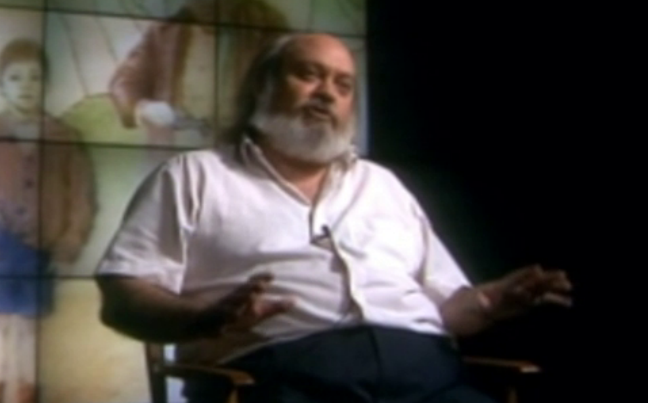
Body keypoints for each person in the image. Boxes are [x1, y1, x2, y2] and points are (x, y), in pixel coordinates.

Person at [95, 33, 572, 403]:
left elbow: (448, 309)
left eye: (343, 85)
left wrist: (489, 302)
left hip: (428, 381)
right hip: (279, 380)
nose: (326, 93)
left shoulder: (382, 184)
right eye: (309, 75)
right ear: (262, 84)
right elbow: (123, 299)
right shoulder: (196, 176)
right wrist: (206, 318)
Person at [0, 38, 97, 403]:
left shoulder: (65, 138)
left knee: (30, 329)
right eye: (15, 77)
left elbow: (82, 199)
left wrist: (68, 247)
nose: (26, 85)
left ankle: (27, 393)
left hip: (41, 252)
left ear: (46, 83)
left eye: (35, 77)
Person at [108, 0, 288, 146]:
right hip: (176, 149)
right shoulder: (164, 32)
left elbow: (289, 80)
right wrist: (143, 108)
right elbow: (125, 81)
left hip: (242, 149)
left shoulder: (264, 23)